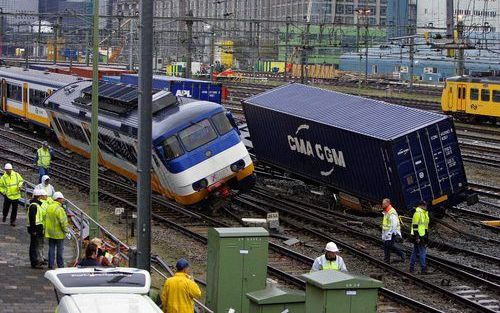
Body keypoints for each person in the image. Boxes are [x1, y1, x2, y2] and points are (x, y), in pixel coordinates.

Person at [45, 191, 70, 269]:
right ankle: (60, 265)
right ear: (58, 199)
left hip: (50, 232)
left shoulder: (49, 207)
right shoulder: (60, 209)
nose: (63, 200)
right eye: (62, 198)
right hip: (59, 234)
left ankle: (50, 264)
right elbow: (63, 222)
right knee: (60, 251)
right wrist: (67, 231)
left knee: (51, 249)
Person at [27, 188, 47, 269]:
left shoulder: (36, 205)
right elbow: (32, 219)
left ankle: (36, 261)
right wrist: (33, 230)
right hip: (35, 229)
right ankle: (34, 262)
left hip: (37, 228)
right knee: (34, 246)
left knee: (35, 245)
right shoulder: (34, 206)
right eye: (41, 195)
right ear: (39, 196)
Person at [381, 198, 405, 264]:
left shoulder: (391, 212)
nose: (382, 205)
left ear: (388, 203)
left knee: (388, 245)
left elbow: (394, 224)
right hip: (388, 232)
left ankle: (401, 254)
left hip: (392, 232)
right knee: (387, 245)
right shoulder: (387, 211)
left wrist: (390, 233)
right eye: (382, 203)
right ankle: (387, 260)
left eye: (384, 203)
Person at [410, 201, 430, 274]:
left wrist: (426, 236)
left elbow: (425, 226)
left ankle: (411, 268)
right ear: (421, 206)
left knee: (415, 252)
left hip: (422, 235)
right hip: (419, 236)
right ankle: (423, 268)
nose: (426, 207)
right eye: (424, 205)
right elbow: (415, 226)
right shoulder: (417, 214)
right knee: (422, 252)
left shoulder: (424, 213)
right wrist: (417, 237)